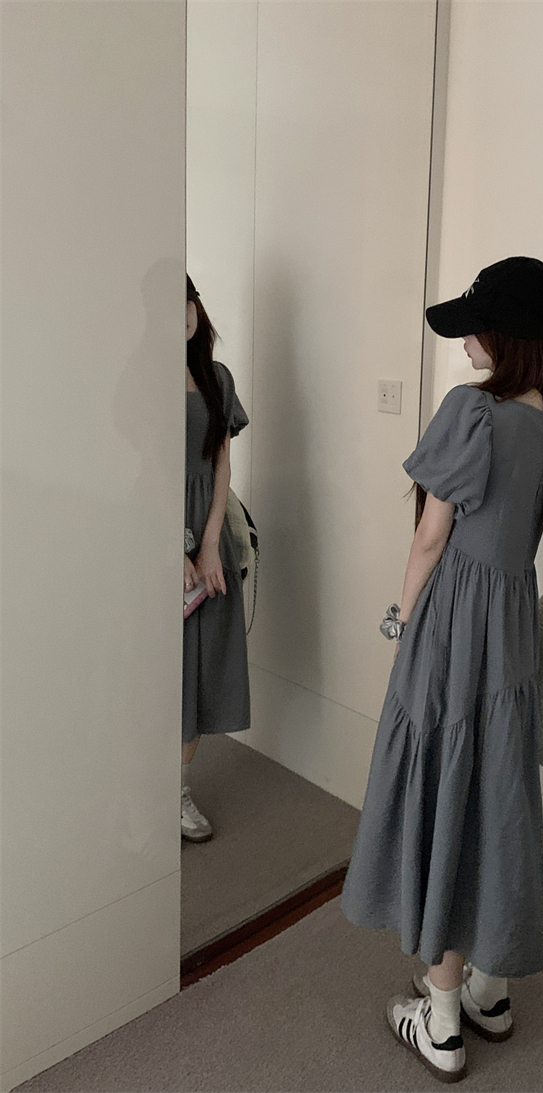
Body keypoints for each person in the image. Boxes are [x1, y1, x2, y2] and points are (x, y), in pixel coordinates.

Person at [340, 256, 543, 1082]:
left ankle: (440, 1020)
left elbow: (430, 538)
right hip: (510, 628)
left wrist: (401, 619)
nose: (467, 342)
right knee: (493, 793)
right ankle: (490, 987)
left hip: (455, 628)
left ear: (507, 336)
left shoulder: (472, 412)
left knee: (443, 793)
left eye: (476, 328)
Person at [181, 275, 251, 841]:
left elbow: (221, 464)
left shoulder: (216, 377)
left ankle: (175, 789)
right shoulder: (138, 379)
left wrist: (207, 544)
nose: (181, 315)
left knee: (203, 666)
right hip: (148, 527)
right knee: (160, 668)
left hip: (209, 529)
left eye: (186, 302)